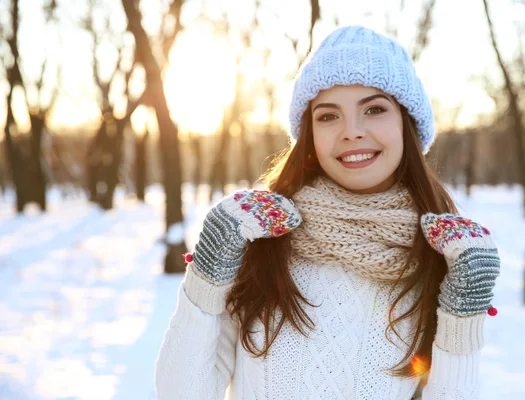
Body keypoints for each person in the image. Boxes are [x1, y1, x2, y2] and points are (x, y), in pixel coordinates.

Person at [155, 25, 501, 400]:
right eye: (328, 116)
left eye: (374, 109)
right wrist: (207, 274)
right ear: (309, 134)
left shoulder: (438, 260)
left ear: (407, 125)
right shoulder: (257, 242)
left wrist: (463, 317)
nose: (351, 131)